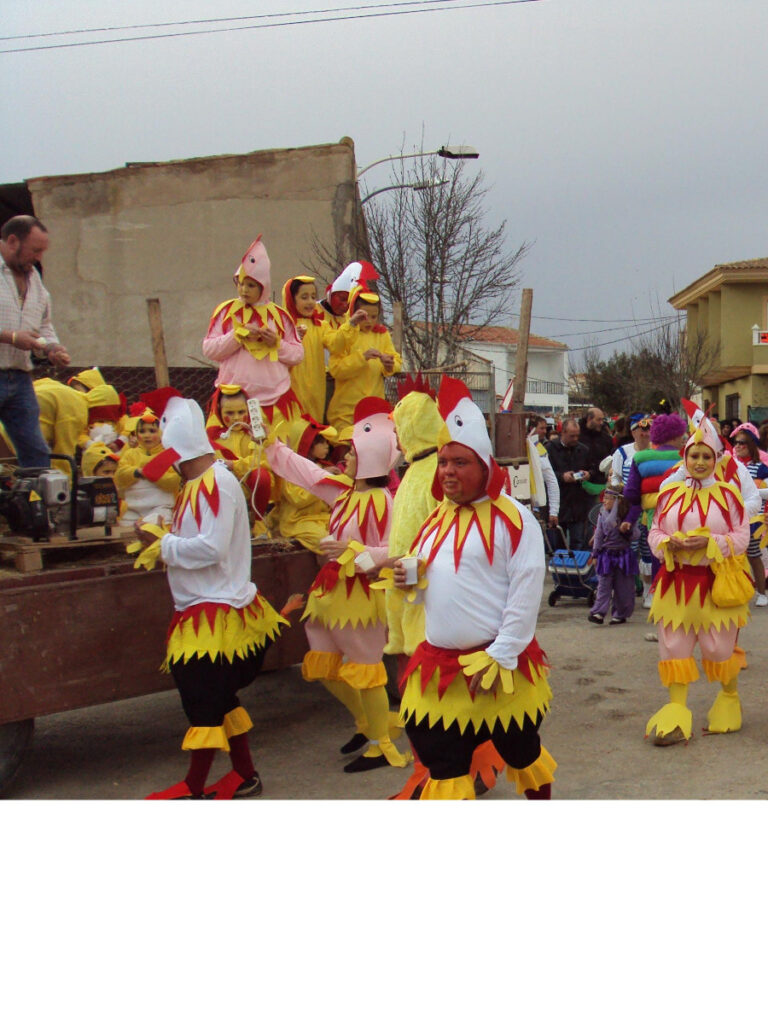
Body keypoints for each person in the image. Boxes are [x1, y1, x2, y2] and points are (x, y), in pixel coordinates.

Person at [390, 377, 555, 800]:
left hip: (498, 666)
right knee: (442, 764)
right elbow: (429, 581)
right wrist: (410, 579)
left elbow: (525, 592)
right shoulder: (435, 519)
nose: (447, 471)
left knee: (521, 752)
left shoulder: (514, 519)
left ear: (484, 466)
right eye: (443, 462)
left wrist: (501, 655)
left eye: (459, 463)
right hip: (439, 668)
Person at [130, 393, 291, 799]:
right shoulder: (197, 482)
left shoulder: (215, 483)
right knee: (220, 699)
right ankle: (245, 774)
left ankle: (193, 786)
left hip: (215, 616)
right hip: (203, 608)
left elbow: (212, 548)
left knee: (202, 705)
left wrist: (162, 543)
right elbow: (198, 538)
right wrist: (165, 534)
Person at [265, 396, 411, 773]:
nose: (341, 457)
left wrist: (353, 549)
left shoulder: (385, 501)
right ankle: (368, 724)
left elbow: (396, 551)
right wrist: (271, 445)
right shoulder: (343, 493)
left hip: (362, 595)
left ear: (367, 460)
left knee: (366, 670)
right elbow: (306, 473)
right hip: (329, 592)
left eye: (349, 453)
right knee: (322, 665)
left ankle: (381, 743)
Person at [645, 417, 750, 745]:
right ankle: (676, 712)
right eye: (694, 456)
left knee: (718, 650)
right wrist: (666, 543)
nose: (700, 462)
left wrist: (711, 544)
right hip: (674, 585)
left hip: (714, 585)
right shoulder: (668, 494)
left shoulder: (729, 496)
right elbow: (654, 530)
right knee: (673, 648)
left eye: (707, 456)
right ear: (685, 458)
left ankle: (729, 697)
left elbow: (742, 537)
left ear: (716, 459)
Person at [202, 235, 305, 428]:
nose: (244, 290)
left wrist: (276, 343)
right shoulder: (225, 312)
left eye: (250, 285)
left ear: (263, 287)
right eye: (240, 284)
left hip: (273, 400)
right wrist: (236, 337)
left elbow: (298, 355)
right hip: (232, 400)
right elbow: (209, 349)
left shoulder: (280, 316)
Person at [0, 215, 71, 467]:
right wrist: (11, 337)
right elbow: (17, 335)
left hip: (20, 378)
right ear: (12, 241)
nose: (39, 257)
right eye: (35, 250)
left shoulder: (34, 280)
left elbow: (43, 325)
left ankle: (40, 505)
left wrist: (52, 347)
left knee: (36, 453)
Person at [326, 286, 402, 434]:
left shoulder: (381, 335)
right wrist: (362, 358)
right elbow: (337, 370)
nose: (370, 321)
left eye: (374, 317)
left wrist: (389, 365)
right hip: (346, 411)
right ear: (353, 314)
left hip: (374, 409)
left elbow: (397, 361)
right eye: (364, 316)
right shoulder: (343, 335)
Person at [271, 415, 336, 554]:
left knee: (347, 533)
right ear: (307, 443)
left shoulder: (322, 466)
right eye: (322, 442)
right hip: (297, 521)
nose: (327, 446)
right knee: (326, 541)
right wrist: (323, 479)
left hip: (321, 518)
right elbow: (298, 499)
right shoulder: (289, 471)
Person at [114, 400, 180, 526]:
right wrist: (137, 472)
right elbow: (119, 476)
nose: (147, 435)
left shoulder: (168, 455)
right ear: (136, 434)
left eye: (152, 431)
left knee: (157, 527)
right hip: (132, 508)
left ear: (161, 433)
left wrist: (153, 475)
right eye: (142, 431)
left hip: (160, 507)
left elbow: (174, 481)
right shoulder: (130, 454)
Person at [283, 275, 333, 422]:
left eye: (313, 296)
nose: (311, 302)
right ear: (291, 299)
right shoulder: (283, 325)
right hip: (290, 391)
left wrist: (352, 326)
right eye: (304, 297)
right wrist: (291, 338)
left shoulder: (321, 326)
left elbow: (336, 343)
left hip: (316, 392)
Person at [587, 484, 639, 625]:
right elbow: (598, 535)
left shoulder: (627, 516)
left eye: (608, 498)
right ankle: (598, 612)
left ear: (618, 500)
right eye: (604, 497)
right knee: (604, 585)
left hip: (624, 555)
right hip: (607, 555)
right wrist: (595, 554)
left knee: (624, 587)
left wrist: (626, 529)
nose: (605, 501)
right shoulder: (602, 514)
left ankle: (620, 613)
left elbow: (635, 535)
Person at [730, 427, 768, 606]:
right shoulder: (730, 465)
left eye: (742, 442)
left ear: (751, 444)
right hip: (731, 518)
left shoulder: (761, 468)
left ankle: (762, 593)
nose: (738, 446)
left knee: (753, 554)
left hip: (751, 518)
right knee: (731, 556)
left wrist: (753, 493)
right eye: (736, 442)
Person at [545, 416, 592, 549]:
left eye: (577, 436)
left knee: (577, 541)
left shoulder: (583, 450)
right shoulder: (550, 449)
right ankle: (559, 569)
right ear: (563, 433)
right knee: (557, 544)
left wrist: (588, 474)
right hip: (558, 503)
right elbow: (544, 474)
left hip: (577, 504)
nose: (575, 439)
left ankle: (575, 567)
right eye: (572, 436)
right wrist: (561, 477)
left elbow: (592, 469)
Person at [579, 406, 613, 486]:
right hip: (581, 482)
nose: (601, 423)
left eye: (602, 419)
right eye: (598, 420)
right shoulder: (577, 436)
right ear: (589, 419)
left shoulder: (606, 438)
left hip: (602, 481)